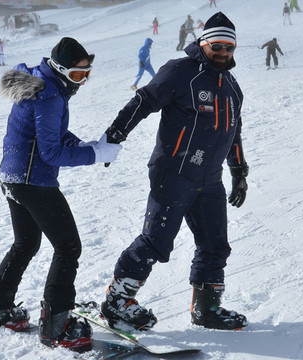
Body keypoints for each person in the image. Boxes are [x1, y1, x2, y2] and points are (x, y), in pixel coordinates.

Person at [99, 11, 249, 331]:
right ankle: (118, 301)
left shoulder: (232, 87)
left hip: (210, 180)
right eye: (217, 46)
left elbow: (232, 133)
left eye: (229, 48)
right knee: (156, 240)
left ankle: (206, 309)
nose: (223, 53)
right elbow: (144, 101)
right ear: (203, 43)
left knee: (214, 245)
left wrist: (239, 172)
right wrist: (115, 135)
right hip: (174, 171)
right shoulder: (181, 71)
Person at [0, 37, 122, 353]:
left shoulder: (43, 84)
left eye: (87, 74)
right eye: (77, 75)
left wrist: (88, 147)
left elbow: (52, 134)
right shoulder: (49, 96)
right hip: (33, 181)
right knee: (68, 246)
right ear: (60, 69)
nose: (83, 81)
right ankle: (58, 327)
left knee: (26, 243)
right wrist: (94, 155)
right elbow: (51, 153)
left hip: (13, 178)